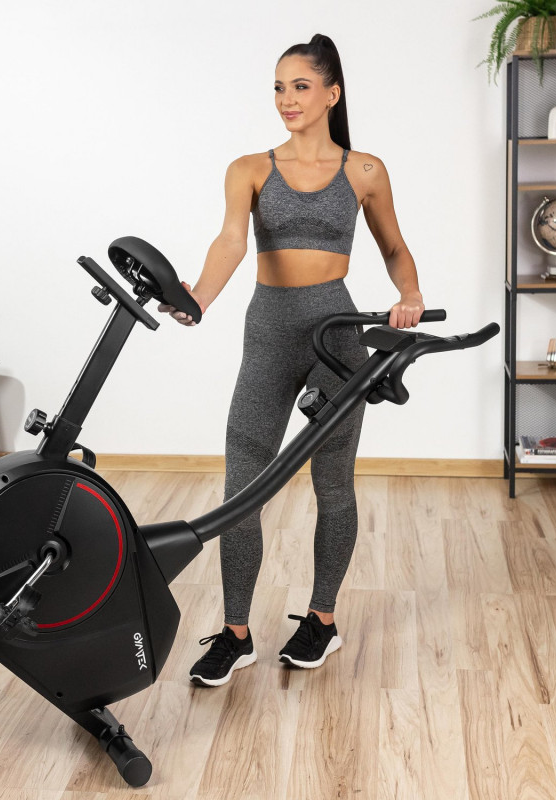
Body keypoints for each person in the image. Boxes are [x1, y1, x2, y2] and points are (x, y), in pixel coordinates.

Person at [160, 34, 424, 687]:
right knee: (242, 489)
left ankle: (322, 621)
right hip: (269, 332)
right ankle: (236, 634)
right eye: (279, 88)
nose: (287, 99)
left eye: (300, 86)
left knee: (333, 486)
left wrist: (410, 296)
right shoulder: (249, 168)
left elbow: (394, 248)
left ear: (332, 93)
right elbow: (230, 241)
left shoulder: (365, 171)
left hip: (338, 335)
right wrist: (199, 297)